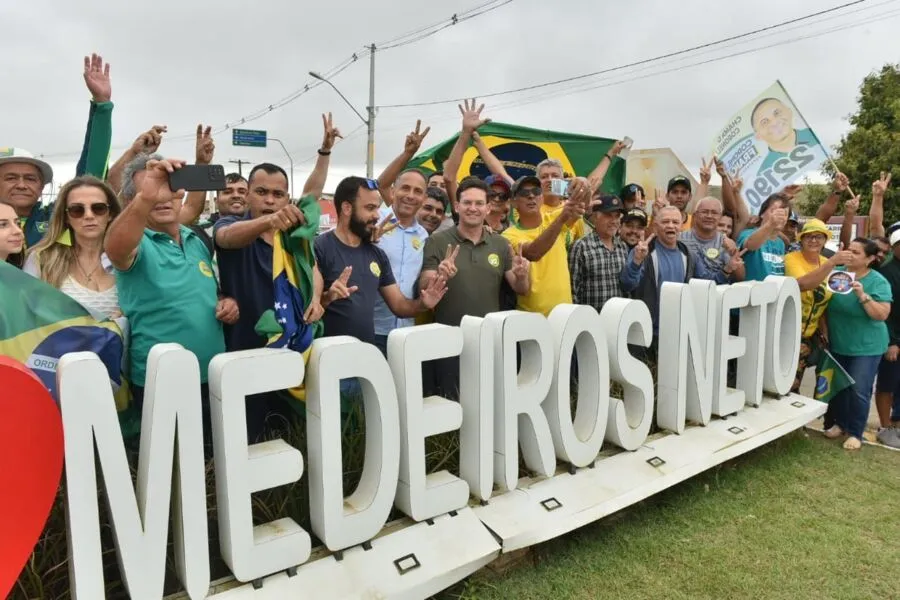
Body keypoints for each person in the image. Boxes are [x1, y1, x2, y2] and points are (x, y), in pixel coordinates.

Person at [105, 158, 239, 443]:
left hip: (212, 373)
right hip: (161, 379)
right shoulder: (138, 243)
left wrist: (225, 302)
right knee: (168, 460)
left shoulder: (196, 239)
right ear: (131, 199)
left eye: (170, 188)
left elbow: (206, 291)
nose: (162, 197)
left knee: (211, 457)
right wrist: (146, 199)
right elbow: (115, 248)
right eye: (150, 190)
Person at [420, 177, 530, 397]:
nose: (473, 208)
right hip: (449, 341)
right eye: (467, 202)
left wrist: (522, 276)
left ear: (488, 208)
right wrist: (440, 276)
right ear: (457, 206)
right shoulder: (437, 241)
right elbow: (424, 285)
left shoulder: (500, 244)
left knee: (488, 401)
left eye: (479, 203)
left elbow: (521, 288)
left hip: (489, 340)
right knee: (451, 403)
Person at [316, 176, 446, 348]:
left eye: (377, 208)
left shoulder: (377, 253)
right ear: (347, 208)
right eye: (370, 208)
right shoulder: (319, 247)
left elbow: (399, 306)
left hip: (369, 353)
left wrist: (423, 303)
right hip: (327, 354)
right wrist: (327, 298)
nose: (377, 215)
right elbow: (305, 309)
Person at [822, 238, 892, 451]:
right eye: (848, 250)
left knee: (859, 389)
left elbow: (881, 314)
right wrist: (824, 331)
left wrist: (862, 295)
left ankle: (855, 433)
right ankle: (840, 424)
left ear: (870, 259)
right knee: (840, 387)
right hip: (839, 342)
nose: (849, 254)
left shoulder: (878, 281)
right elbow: (823, 305)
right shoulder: (836, 274)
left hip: (867, 346)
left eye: (856, 252)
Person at [621, 206, 729, 343]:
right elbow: (627, 285)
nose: (671, 225)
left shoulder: (689, 254)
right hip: (646, 332)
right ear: (655, 227)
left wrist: (727, 270)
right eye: (665, 222)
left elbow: (706, 282)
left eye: (675, 222)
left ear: (681, 227)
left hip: (678, 330)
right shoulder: (642, 252)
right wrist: (636, 261)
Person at [24, 176, 123, 320]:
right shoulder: (42, 259)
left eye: (98, 208)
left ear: (111, 214)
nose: (89, 216)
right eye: (77, 210)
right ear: (66, 217)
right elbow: (24, 316)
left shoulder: (131, 257)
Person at [782, 220, 851, 392]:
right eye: (809, 237)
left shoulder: (826, 261)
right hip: (786, 332)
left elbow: (824, 302)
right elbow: (803, 284)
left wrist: (824, 331)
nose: (813, 240)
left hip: (809, 336)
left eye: (818, 237)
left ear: (825, 240)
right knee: (785, 383)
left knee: (796, 383)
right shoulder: (792, 259)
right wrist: (832, 263)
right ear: (801, 239)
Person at [502, 175, 585, 316]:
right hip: (531, 317)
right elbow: (533, 253)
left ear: (541, 198)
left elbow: (582, 203)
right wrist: (561, 220)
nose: (531, 196)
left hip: (565, 314)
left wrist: (583, 184)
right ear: (513, 203)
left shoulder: (554, 217)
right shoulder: (508, 235)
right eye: (524, 193)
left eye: (536, 192)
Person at [372, 169, 431, 354]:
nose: (410, 195)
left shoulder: (423, 235)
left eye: (417, 191)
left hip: (406, 332)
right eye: (405, 188)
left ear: (424, 198)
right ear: (393, 191)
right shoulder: (373, 221)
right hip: (371, 329)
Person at [569, 194, 629, 314]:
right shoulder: (581, 246)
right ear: (596, 217)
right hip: (590, 320)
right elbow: (572, 290)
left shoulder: (622, 247)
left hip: (618, 318)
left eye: (617, 216)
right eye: (608, 215)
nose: (614, 221)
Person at [873, 229, 900, 448]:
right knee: (887, 384)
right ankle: (885, 427)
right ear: (894, 247)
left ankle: (896, 425)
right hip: (892, 339)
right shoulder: (887, 271)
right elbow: (886, 312)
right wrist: (892, 342)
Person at [679, 197, 745, 283]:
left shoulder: (727, 243)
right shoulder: (680, 239)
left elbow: (740, 278)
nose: (709, 216)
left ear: (720, 217)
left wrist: (733, 254)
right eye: (704, 212)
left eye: (714, 213)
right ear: (695, 216)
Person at [0, 148, 54, 248]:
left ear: (41, 187)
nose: (21, 185)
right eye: (11, 178)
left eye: (30, 179)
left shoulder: (60, 219)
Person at [750, 97, 819, 173]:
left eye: (777, 113)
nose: (774, 122)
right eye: (764, 122)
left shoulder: (817, 133)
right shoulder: (764, 171)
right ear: (758, 136)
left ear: (790, 111)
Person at [737, 193, 789, 281]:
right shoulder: (747, 233)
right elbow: (750, 245)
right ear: (762, 214)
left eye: (785, 213)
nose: (779, 216)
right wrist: (770, 224)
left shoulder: (781, 243)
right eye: (774, 211)